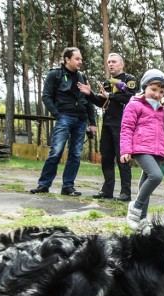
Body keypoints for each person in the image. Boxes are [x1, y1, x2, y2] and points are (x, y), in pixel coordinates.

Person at [31, 47, 97, 196]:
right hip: (64, 118)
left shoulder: (82, 76)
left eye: (81, 59)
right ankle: (43, 185)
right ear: (67, 59)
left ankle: (68, 187)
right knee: (56, 152)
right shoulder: (55, 75)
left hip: (81, 120)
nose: (80, 61)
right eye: (77, 59)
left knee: (75, 155)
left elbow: (89, 101)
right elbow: (46, 96)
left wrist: (92, 123)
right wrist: (57, 115)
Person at [78, 53, 138, 201]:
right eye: (108, 62)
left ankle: (125, 193)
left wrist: (110, 96)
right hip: (107, 125)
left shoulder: (130, 79)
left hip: (123, 126)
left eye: (114, 62)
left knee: (122, 159)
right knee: (106, 158)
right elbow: (101, 102)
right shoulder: (106, 83)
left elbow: (130, 97)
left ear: (121, 65)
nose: (110, 64)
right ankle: (107, 191)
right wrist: (89, 94)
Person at [119, 69, 164, 235]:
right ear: (145, 87)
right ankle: (136, 207)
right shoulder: (135, 104)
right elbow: (126, 127)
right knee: (156, 176)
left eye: (161, 92)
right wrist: (125, 149)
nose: (157, 94)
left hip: (157, 151)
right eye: (153, 90)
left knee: (144, 184)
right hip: (140, 148)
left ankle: (141, 221)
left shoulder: (163, 110)